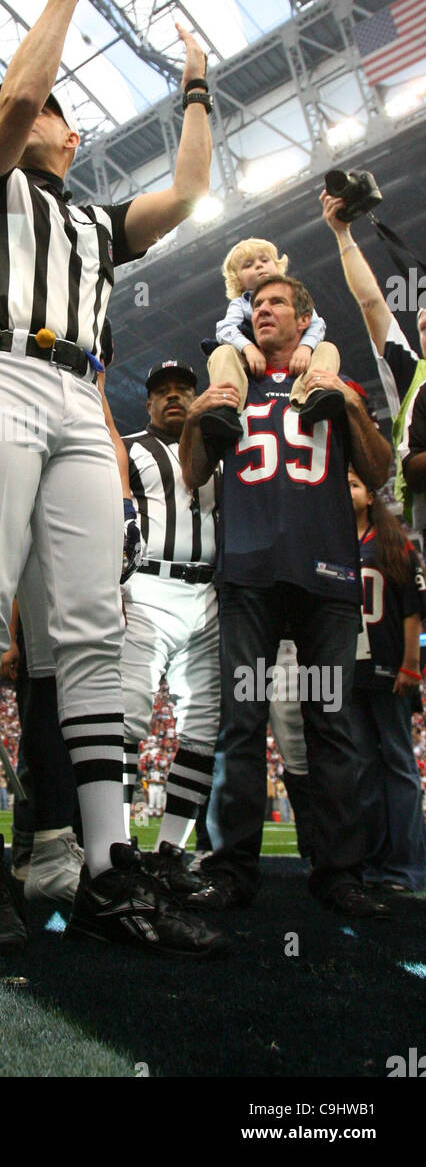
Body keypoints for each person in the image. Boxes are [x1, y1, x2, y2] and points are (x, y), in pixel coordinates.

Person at [0, 0, 227, 959]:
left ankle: (108, 866)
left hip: (73, 390)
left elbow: (188, 191)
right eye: (52, 107)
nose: (58, 115)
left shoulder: (98, 223)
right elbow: (15, 104)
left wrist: (196, 85)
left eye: (65, 111)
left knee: (92, 629)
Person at [180, 270, 393, 917]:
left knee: (330, 724)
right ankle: (232, 868)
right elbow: (193, 473)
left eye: (275, 303)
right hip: (248, 571)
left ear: (305, 319)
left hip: (326, 572)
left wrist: (350, 404)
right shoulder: (232, 385)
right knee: (240, 725)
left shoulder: (329, 380)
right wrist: (198, 415)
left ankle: (339, 873)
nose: (261, 310)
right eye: (254, 304)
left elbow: (379, 472)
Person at [119, 360, 219, 897]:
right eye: (163, 391)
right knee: (130, 715)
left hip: (207, 593)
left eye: (184, 388)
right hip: (147, 587)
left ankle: (170, 852)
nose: (175, 397)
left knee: (203, 726)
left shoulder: (221, 453)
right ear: (149, 402)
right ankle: (119, 847)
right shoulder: (130, 450)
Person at [323, 189, 426, 527]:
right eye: (422, 327)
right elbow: (372, 304)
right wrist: (343, 234)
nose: (425, 330)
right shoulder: (413, 376)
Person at [348, 468, 426, 892]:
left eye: (354, 485)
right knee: (363, 768)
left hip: (390, 670)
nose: (347, 491)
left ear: (372, 497)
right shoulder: (335, 542)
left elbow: (413, 610)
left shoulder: (393, 544)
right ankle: (374, 863)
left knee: (398, 765)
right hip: (352, 674)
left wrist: (411, 664)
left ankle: (407, 866)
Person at [202, 238, 341, 451]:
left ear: (278, 266)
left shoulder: (294, 294)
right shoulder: (240, 303)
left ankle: (315, 395)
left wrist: (306, 347)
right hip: (248, 361)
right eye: (248, 265)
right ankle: (225, 409)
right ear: (237, 280)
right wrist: (247, 348)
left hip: (294, 359)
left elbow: (317, 323)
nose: (258, 266)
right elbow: (224, 328)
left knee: (327, 348)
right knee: (223, 352)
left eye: (264, 260)